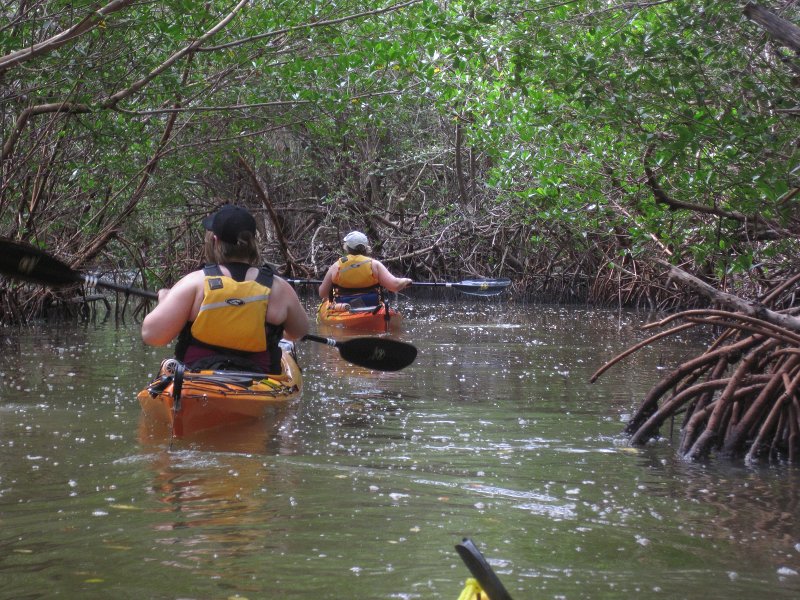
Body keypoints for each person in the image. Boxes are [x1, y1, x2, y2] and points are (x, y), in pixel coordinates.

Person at [141, 204, 309, 375]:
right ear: (252, 243)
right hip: (260, 382)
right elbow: (299, 333)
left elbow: (151, 335)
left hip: (199, 381)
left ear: (215, 241)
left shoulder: (194, 283)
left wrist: (165, 300)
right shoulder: (279, 288)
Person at [318, 230, 412, 307]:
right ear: (366, 248)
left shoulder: (336, 266)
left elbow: (322, 293)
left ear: (347, 247)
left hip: (344, 308)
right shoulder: (374, 265)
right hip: (371, 307)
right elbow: (394, 286)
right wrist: (406, 280)